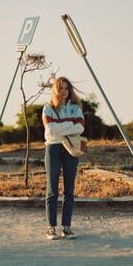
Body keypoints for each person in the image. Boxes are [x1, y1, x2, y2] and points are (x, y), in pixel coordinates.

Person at [42, 76, 85, 240]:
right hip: (53, 148)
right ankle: (51, 227)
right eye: (60, 88)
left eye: (66, 88)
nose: (64, 92)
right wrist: (70, 125)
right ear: (55, 90)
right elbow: (50, 129)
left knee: (69, 190)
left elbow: (80, 127)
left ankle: (66, 227)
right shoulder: (48, 108)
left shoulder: (75, 107)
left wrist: (61, 127)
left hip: (71, 148)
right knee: (52, 189)